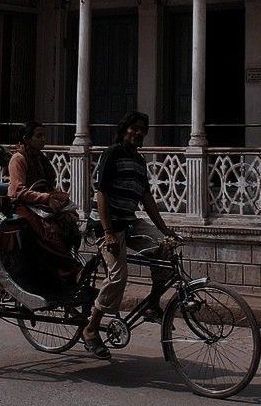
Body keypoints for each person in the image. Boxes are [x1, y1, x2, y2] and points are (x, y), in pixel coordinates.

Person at [82, 110, 176, 360]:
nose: (139, 133)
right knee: (117, 277)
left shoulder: (139, 161)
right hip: (107, 225)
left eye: (142, 130)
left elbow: (147, 198)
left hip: (130, 222)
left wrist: (165, 229)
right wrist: (109, 232)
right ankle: (91, 329)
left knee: (166, 249)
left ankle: (153, 305)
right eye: (134, 128)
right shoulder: (112, 153)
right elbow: (101, 192)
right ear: (124, 130)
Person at [7, 121, 81, 285]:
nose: (43, 140)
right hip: (24, 205)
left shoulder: (40, 159)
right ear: (27, 139)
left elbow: (47, 185)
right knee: (48, 234)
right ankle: (68, 271)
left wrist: (61, 201)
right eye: (38, 136)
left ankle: (61, 273)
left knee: (70, 226)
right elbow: (18, 191)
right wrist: (46, 198)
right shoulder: (18, 159)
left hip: (41, 204)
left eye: (44, 136)